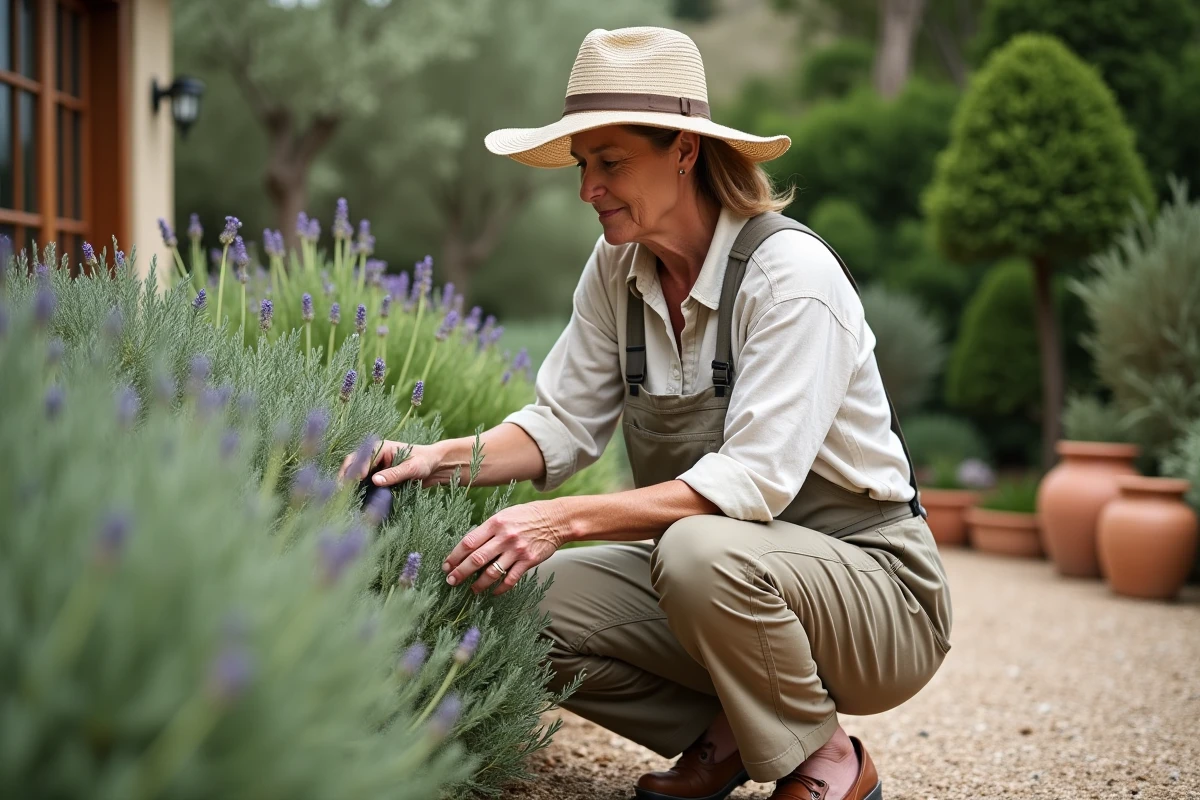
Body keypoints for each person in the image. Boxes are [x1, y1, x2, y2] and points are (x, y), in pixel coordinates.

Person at [342, 26, 952, 800]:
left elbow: (755, 484)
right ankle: (731, 735)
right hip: (721, 582)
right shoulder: (617, 269)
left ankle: (827, 759)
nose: (587, 189)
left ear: (686, 153)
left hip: (877, 597)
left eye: (611, 163)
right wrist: (437, 457)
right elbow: (559, 424)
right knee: (516, 600)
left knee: (696, 551)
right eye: (582, 165)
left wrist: (558, 521)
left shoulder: (789, 277)